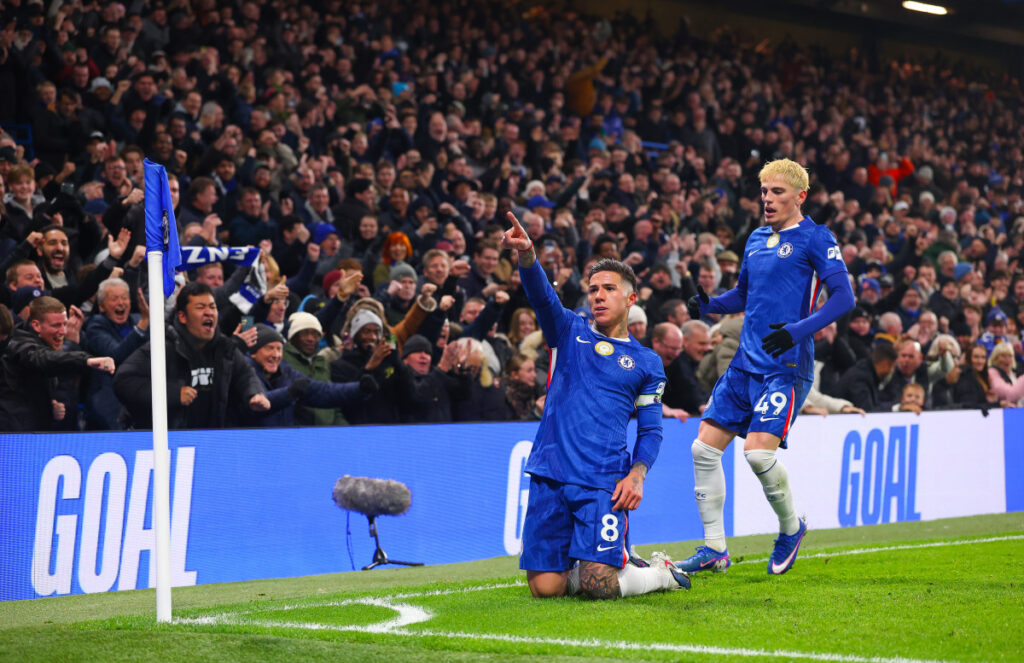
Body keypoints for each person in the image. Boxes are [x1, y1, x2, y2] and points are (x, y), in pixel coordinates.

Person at [501, 211, 688, 601]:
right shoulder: (569, 331)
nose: (598, 295)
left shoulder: (646, 362)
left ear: (630, 298)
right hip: (550, 473)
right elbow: (542, 296)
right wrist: (528, 257)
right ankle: (599, 557)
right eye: (593, 289)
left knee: (598, 586)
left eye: (608, 288)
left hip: (603, 480)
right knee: (546, 589)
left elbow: (651, 428)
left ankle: (659, 573)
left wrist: (636, 475)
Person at [682, 159, 855, 576]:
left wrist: (798, 330)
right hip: (744, 364)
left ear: (800, 196)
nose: (767, 200)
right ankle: (715, 549)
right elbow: (743, 294)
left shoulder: (816, 237)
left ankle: (790, 528)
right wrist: (708, 305)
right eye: (763, 192)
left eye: (777, 192)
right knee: (702, 449)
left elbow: (844, 298)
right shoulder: (757, 239)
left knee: (758, 456)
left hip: (785, 365)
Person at [114, 282, 270, 429]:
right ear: (182, 316)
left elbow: (245, 374)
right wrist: (173, 393)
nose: (208, 312)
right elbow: (123, 381)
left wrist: (255, 393)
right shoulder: (163, 347)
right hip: (166, 442)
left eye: (212, 307)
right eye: (200, 307)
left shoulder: (224, 348)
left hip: (208, 439)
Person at [0, 296, 116, 431]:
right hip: (12, 436)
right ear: (36, 325)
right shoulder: (19, 343)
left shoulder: (42, 342)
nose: (63, 331)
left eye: (65, 324)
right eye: (56, 325)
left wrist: (47, 406)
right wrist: (86, 360)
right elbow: (43, 358)